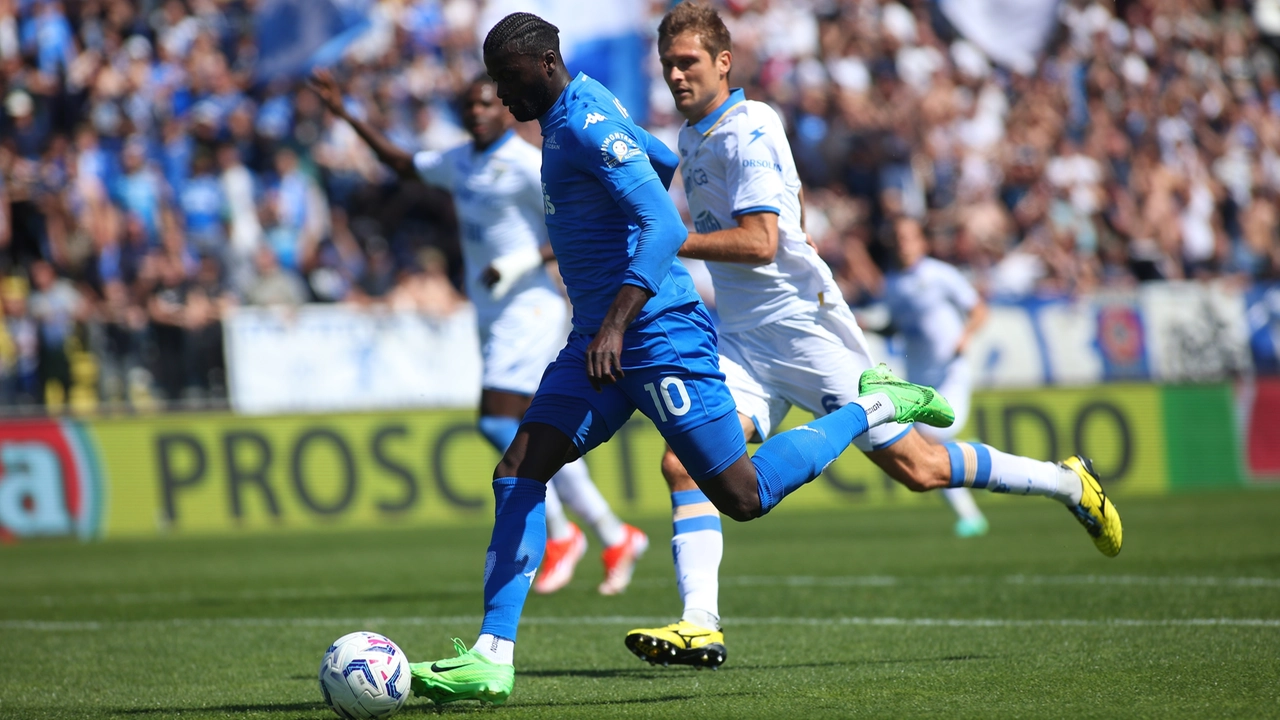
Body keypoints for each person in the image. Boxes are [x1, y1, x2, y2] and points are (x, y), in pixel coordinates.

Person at [405, 11, 956, 706]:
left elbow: (664, 222)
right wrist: (602, 319)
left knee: (742, 496)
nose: (501, 95)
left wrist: (615, 321)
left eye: (508, 80)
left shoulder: (582, 122)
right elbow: (657, 166)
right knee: (519, 467)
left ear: (545, 67)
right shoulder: (575, 114)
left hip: (655, 331)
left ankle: (874, 406)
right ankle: (493, 654)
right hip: (598, 338)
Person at [621, 2, 1122, 671]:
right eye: (667, 65)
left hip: (806, 330)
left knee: (922, 469)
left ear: (722, 62)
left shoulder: (750, 128)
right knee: (683, 462)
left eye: (688, 63)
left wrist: (674, 242)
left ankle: (1066, 483)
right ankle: (701, 624)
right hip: (742, 341)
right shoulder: (693, 137)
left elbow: (764, 242)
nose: (676, 76)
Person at [308, 69, 648, 596]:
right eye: (467, 104)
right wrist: (346, 115)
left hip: (529, 305)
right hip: (490, 313)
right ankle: (612, 532)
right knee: (538, 425)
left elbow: (578, 225)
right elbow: (401, 164)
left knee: (496, 420)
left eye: (486, 104)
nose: (476, 112)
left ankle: (562, 533)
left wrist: (517, 265)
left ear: (504, 109)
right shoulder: (458, 160)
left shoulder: (523, 165)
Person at [884, 216, 990, 538]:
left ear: (921, 242)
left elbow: (979, 310)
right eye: (898, 237)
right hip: (917, 380)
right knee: (925, 451)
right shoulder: (891, 285)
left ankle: (981, 489)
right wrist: (868, 325)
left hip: (950, 374)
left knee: (932, 441)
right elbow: (897, 327)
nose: (903, 243)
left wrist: (965, 337)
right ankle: (972, 513)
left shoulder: (941, 275)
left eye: (908, 237)